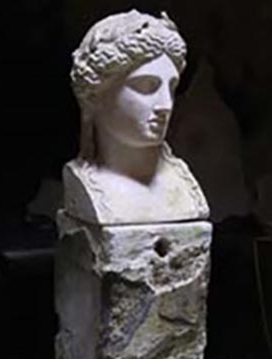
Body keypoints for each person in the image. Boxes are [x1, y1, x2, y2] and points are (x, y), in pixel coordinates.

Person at [64, 10, 209, 225]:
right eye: (146, 86)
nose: (166, 105)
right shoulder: (89, 187)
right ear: (95, 96)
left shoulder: (183, 185)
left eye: (171, 88)